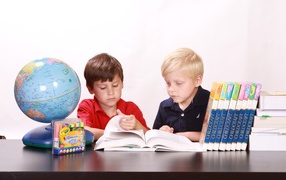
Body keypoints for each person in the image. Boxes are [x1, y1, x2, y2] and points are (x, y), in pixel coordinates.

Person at [77, 53, 149, 140]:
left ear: (122, 83)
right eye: (103, 88)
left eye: (115, 85)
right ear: (90, 88)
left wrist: (137, 125)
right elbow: (84, 132)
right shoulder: (87, 106)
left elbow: (149, 135)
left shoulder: (131, 108)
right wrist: (116, 133)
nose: (110, 92)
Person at [152, 48, 210, 142]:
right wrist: (162, 132)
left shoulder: (210, 102)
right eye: (168, 83)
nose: (171, 89)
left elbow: (215, 137)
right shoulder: (164, 106)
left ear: (197, 81)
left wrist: (180, 136)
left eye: (178, 83)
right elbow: (153, 137)